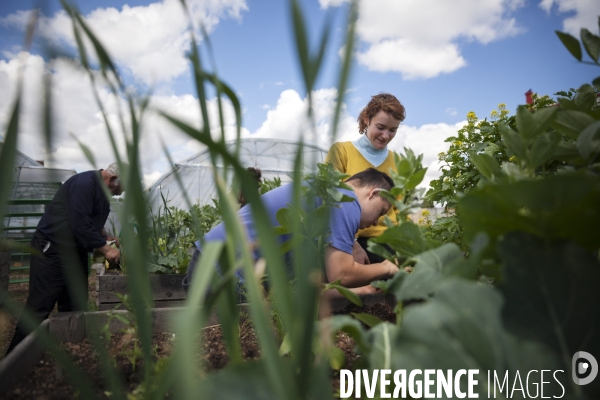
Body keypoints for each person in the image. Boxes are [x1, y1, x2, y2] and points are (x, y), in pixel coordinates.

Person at [182, 168, 399, 297]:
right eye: (381, 211)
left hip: (207, 268)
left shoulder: (324, 196)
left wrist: (359, 291)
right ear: (373, 193)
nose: (374, 222)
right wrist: (386, 267)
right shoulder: (346, 200)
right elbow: (341, 275)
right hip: (222, 277)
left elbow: (302, 286)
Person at [5, 163, 123, 355]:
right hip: (52, 249)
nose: (120, 193)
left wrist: (105, 235)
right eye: (121, 188)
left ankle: (68, 353)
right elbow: (79, 222)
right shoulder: (84, 184)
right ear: (112, 179)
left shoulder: (103, 193)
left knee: (75, 304)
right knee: (39, 307)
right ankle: (13, 361)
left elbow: (92, 220)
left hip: (74, 251)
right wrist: (105, 249)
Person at [326, 93, 406, 264]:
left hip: (386, 243)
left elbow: (399, 209)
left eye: (393, 130)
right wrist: (353, 244)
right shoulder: (341, 152)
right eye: (381, 127)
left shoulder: (397, 162)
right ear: (367, 119)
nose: (386, 135)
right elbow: (330, 199)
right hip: (346, 240)